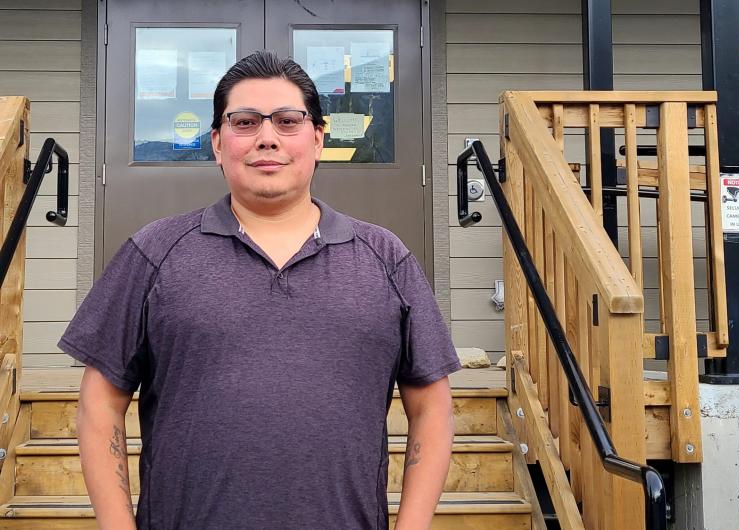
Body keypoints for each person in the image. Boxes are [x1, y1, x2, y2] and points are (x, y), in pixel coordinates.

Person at [59, 51, 462, 530]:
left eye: (288, 122)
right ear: (217, 142)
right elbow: (100, 403)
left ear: (317, 138)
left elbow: (432, 408)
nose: (267, 138)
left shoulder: (384, 257)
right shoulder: (153, 253)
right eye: (245, 121)